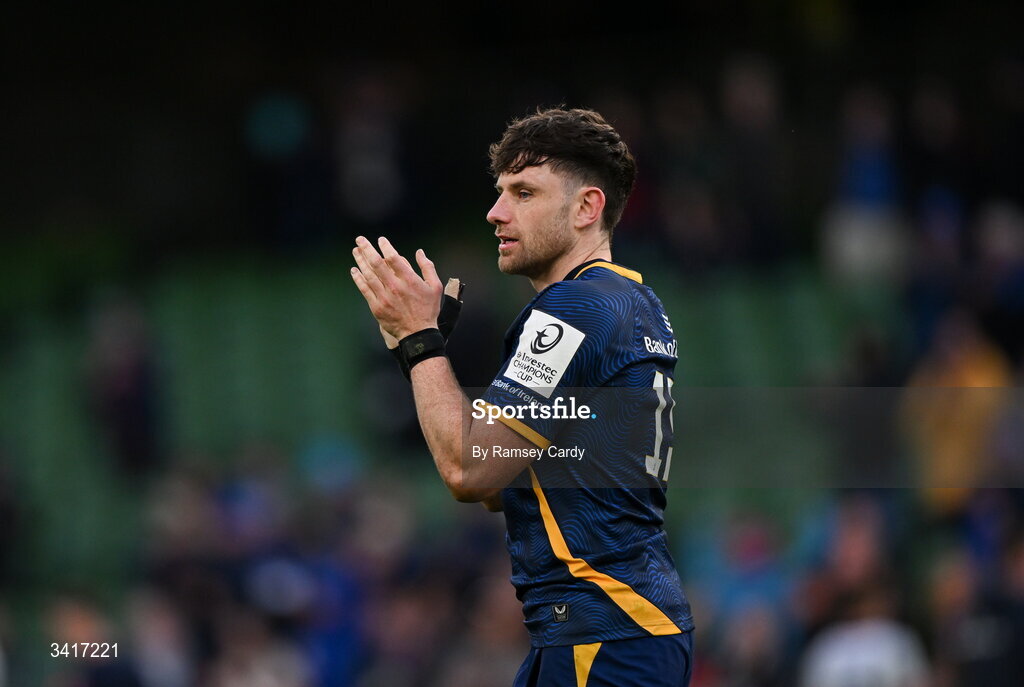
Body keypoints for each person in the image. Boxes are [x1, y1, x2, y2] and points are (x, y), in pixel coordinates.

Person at [351, 107, 694, 686]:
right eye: (500, 192)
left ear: (587, 207)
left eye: (524, 192)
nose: (496, 212)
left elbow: (469, 470)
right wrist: (428, 351)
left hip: (604, 631)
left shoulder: (574, 310)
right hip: (610, 628)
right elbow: (506, 477)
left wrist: (419, 343)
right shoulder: (629, 302)